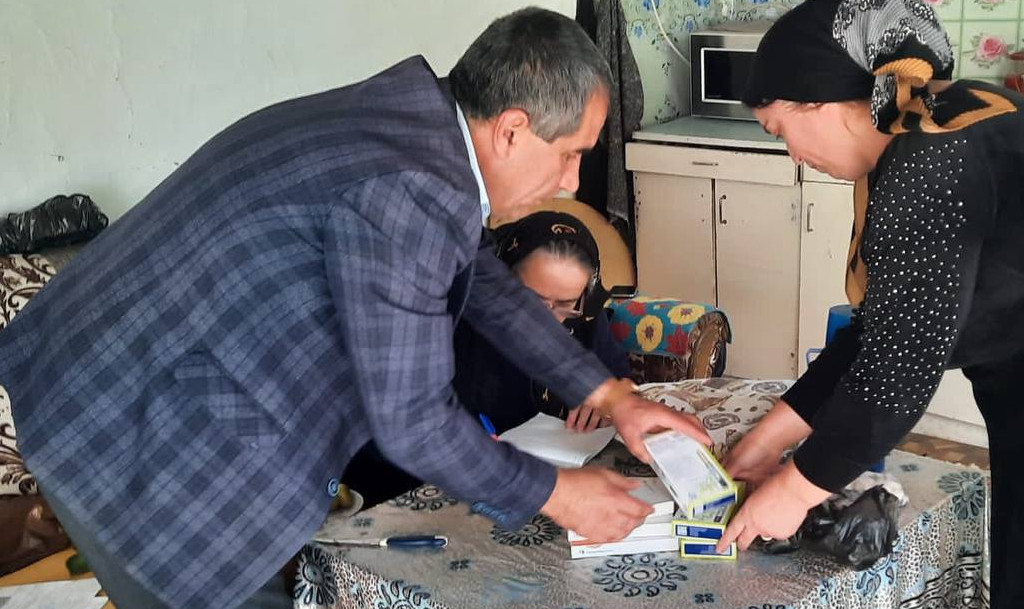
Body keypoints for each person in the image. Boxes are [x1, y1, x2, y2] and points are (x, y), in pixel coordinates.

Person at [0, 7, 709, 609]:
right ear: (512, 129)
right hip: (133, 427)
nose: (573, 181)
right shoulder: (413, 188)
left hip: (130, 377)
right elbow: (414, 421)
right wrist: (558, 494)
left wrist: (609, 393)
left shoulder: (420, 127)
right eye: (570, 154)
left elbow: (489, 285)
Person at [715, 1, 1024, 606]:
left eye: (780, 131)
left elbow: (896, 371)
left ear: (819, 101)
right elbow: (883, 328)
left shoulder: (928, 158)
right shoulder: (939, 121)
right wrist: (770, 438)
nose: (792, 155)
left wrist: (795, 490)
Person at [344, 210, 632, 507]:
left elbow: (619, 379)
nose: (545, 320)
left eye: (565, 304)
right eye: (530, 300)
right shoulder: (455, 312)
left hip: (542, 475)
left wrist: (604, 400)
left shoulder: (585, 315)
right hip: (419, 482)